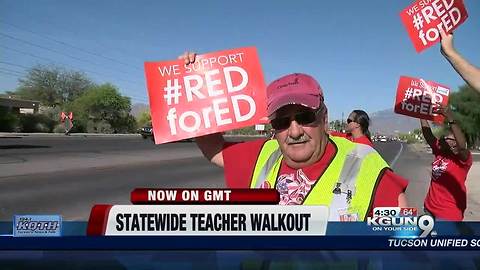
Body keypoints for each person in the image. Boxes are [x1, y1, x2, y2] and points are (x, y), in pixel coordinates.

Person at [181, 52, 407, 221]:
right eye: (282, 122)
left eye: (305, 117)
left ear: (324, 118)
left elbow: (406, 239)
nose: (295, 131)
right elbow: (216, 150)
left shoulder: (365, 164)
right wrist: (200, 85)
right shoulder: (265, 153)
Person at [420, 105, 472, 221]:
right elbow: (428, 136)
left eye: (451, 139)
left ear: (456, 143)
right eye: (445, 138)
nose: (445, 141)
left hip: (447, 214)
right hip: (429, 209)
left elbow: (462, 148)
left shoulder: (463, 160)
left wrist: (451, 118)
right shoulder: (440, 152)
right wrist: (421, 115)